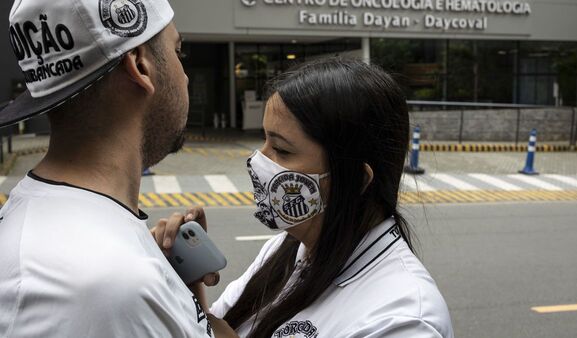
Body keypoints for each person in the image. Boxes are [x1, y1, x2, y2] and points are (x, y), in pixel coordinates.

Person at [156, 58, 454, 337]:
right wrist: (187, 286)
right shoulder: (288, 249)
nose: (259, 160)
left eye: (282, 150)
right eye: (265, 141)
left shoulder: (405, 320)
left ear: (355, 180)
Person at [0, 0, 232, 336]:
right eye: (177, 52)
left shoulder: (62, 236)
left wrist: (177, 289)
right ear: (141, 65)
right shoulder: (111, 288)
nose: (184, 76)